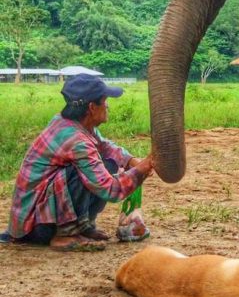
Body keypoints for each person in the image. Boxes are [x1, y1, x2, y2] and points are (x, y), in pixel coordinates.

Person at [0, 74, 154, 251]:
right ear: (91, 107)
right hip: (35, 226)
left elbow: (105, 147)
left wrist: (132, 161)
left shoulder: (71, 123)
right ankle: (65, 235)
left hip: (40, 217)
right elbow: (109, 189)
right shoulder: (76, 140)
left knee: (107, 162)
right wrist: (142, 168)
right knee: (83, 172)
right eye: (104, 101)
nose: (108, 105)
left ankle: (82, 226)